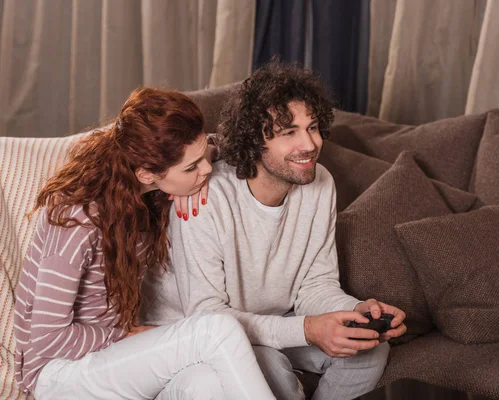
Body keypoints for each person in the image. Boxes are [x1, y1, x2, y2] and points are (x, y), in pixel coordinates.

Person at [141, 61, 408, 399]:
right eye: (288, 133)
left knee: (369, 351)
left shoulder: (320, 183)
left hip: (274, 323)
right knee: (273, 375)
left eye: (312, 127)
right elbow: (208, 317)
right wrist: (308, 330)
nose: (309, 144)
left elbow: (315, 283)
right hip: (199, 335)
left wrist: (354, 312)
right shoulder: (204, 198)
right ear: (255, 138)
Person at [13, 88, 275, 400]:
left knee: (208, 381)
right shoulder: (78, 217)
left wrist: (201, 161)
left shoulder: (143, 190)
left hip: (112, 364)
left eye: (201, 158)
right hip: (58, 375)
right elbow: (46, 340)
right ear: (146, 174)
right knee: (216, 330)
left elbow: (216, 143)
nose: (206, 170)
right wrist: (125, 335)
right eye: (192, 168)